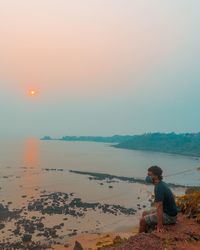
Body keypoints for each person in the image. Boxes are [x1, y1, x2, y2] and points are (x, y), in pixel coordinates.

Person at [139, 165, 178, 233]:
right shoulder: (160, 184)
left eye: (149, 175)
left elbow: (159, 206)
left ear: (156, 176)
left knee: (142, 221)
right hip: (166, 211)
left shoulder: (159, 187)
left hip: (170, 216)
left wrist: (160, 225)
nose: (147, 177)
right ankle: (146, 232)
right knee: (144, 213)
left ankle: (139, 238)